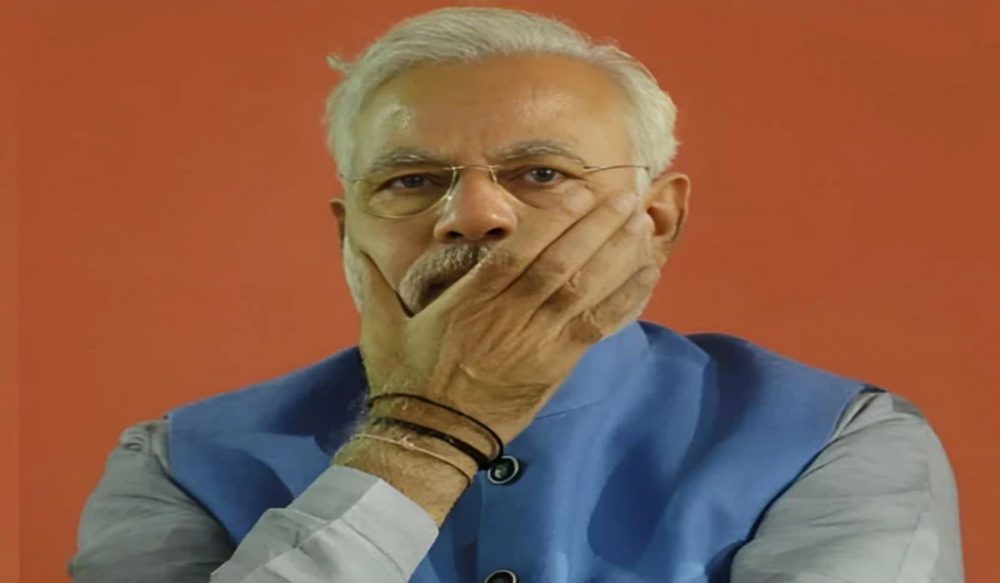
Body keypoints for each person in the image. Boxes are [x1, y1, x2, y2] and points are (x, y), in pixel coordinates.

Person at [68, 7, 963, 583]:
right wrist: (421, 440)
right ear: (348, 233)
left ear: (657, 218)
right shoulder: (179, 464)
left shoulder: (838, 443)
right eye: (412, 181)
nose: (472, 215)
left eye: (540, 172)